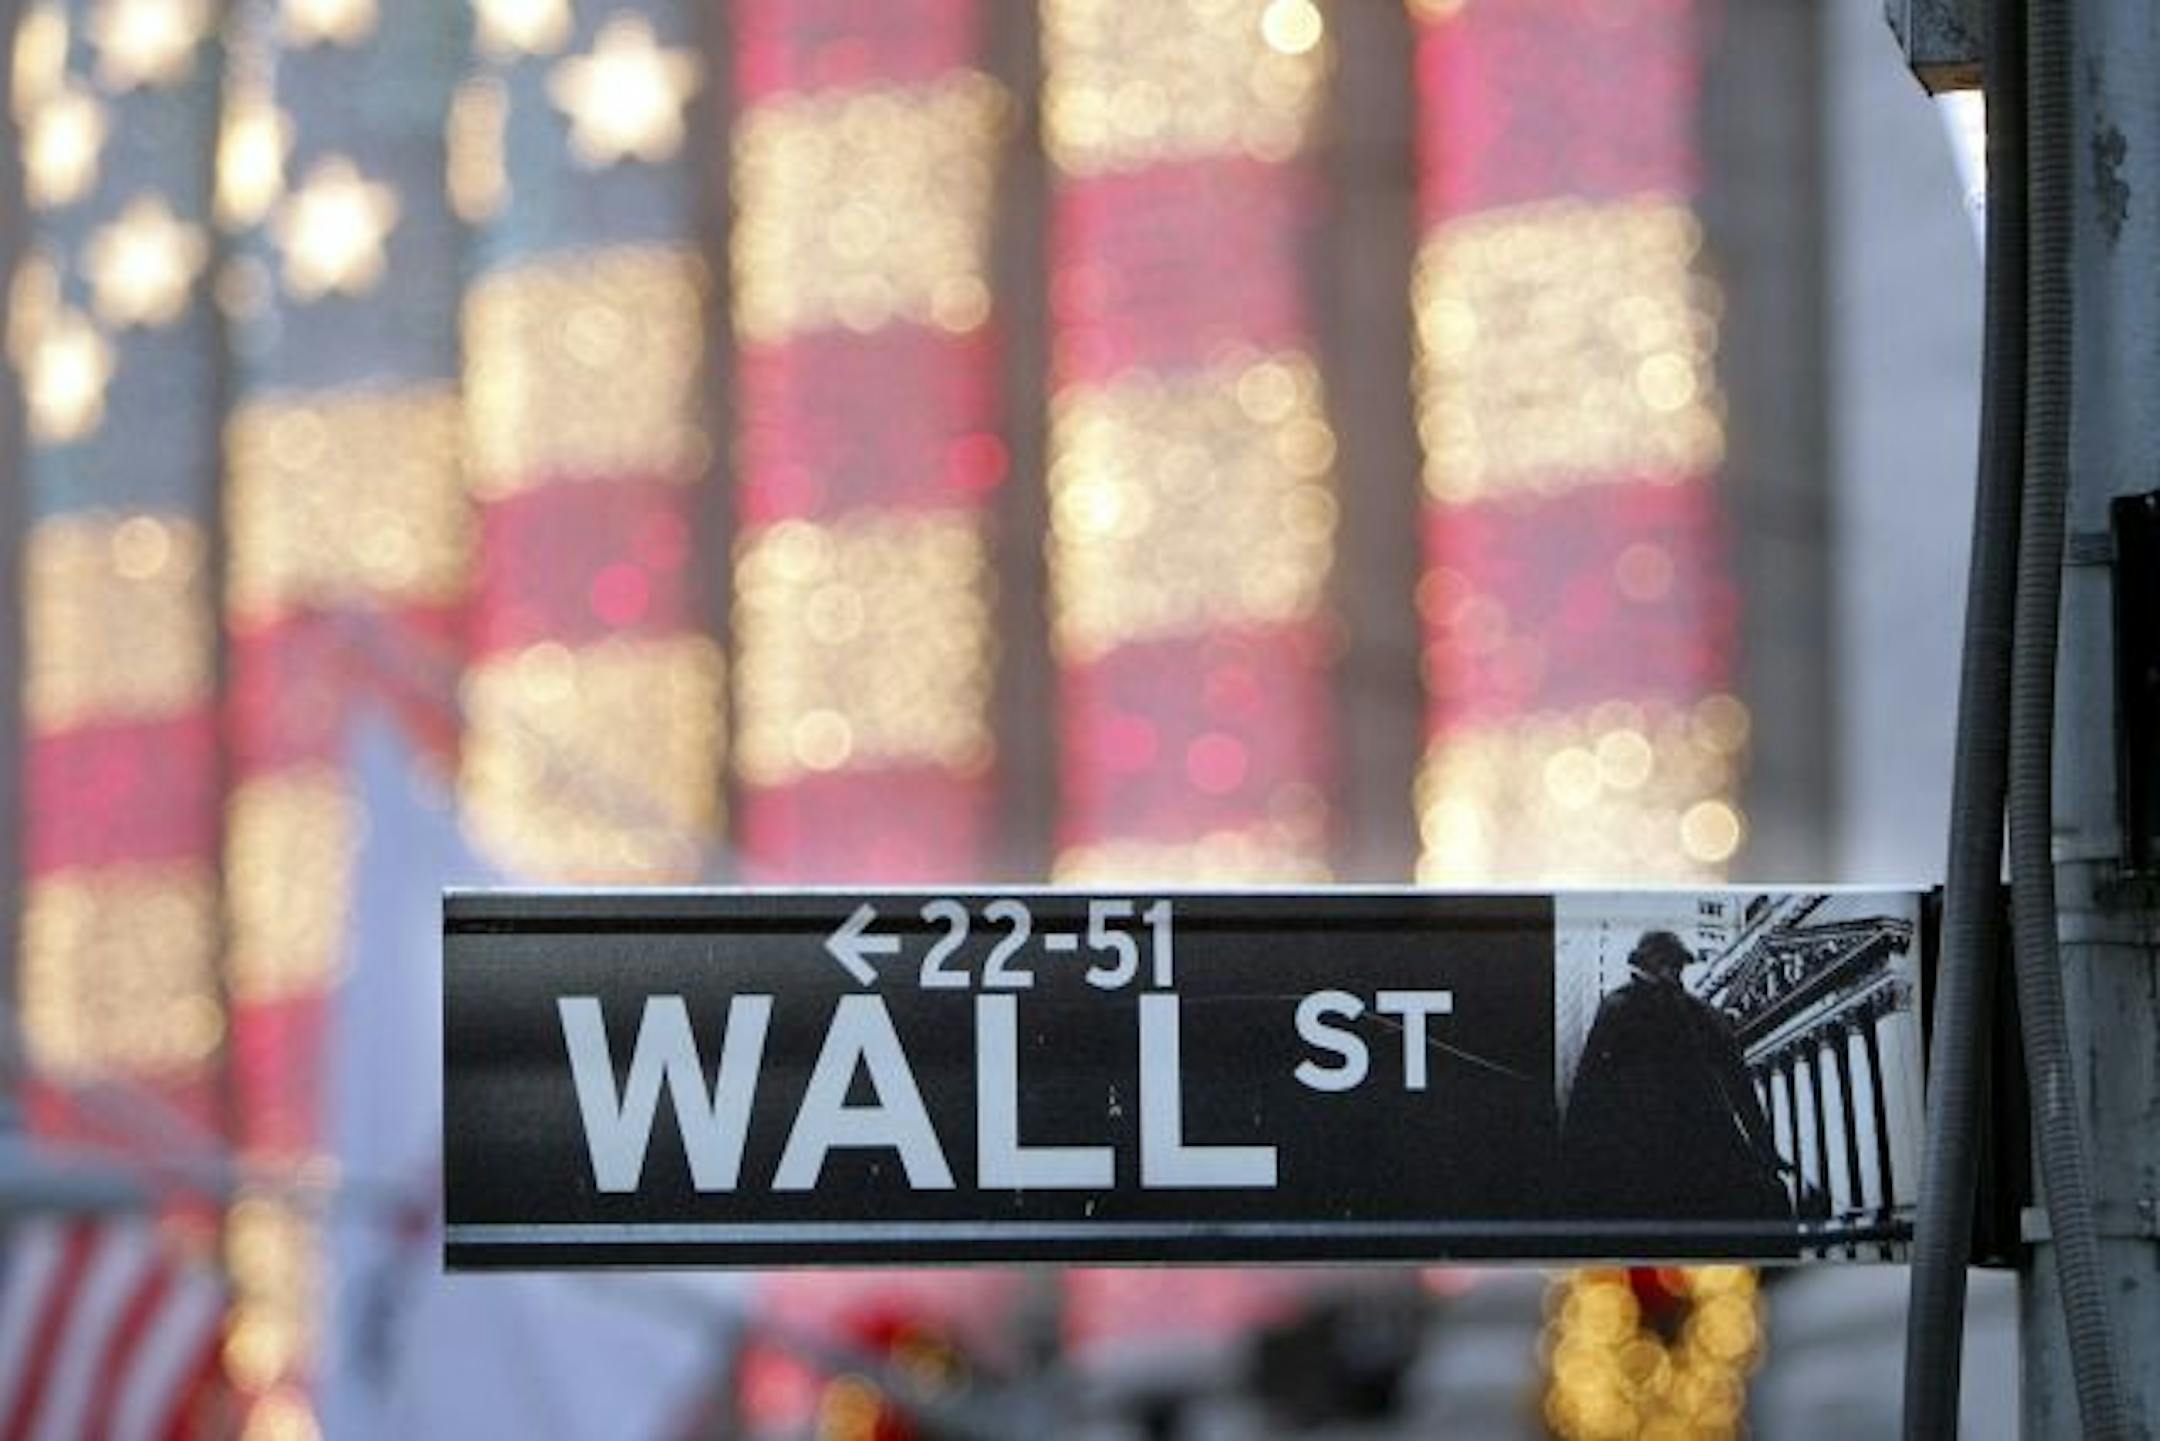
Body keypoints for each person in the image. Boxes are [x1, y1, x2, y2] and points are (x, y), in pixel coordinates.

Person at [1559, 930, 1794, 1223]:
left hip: (1686, 1148)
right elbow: (1589, 1088)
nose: (1673, 972)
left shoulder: (1694, 1013)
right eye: (1667, 963)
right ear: (1647, 963)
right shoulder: (1625, 1008)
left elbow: (1738, 1084)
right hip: (1655, 1150)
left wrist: (1764, 1148)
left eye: (1676, 965)